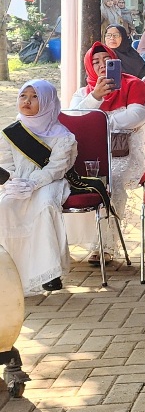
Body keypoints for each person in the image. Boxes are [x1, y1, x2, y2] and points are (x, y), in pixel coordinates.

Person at [70, 42, 145, 263]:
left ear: (115, 60)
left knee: (112, 182)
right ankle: (75, 241)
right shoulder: (83, 93)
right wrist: (96, 97)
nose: (101, 65)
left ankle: (106, 247)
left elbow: (136, 116)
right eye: (95, 62)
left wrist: (98, 120)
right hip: (91, 157)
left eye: (106, 59)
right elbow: (76, 119)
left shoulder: (135, 85)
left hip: (125, 156)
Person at [0, 81, 77, 294]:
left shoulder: (62, 135)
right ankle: (11, 270)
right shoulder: (10, 132)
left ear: (47, 102)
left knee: (45, 206)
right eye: (23, 95)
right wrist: (14, 181)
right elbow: (6, 163)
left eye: (35, 97)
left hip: (49, 183)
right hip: (18, 183)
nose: (27, 101)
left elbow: (56, 168)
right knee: (5, 206)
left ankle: (49, 272)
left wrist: (33, 183)